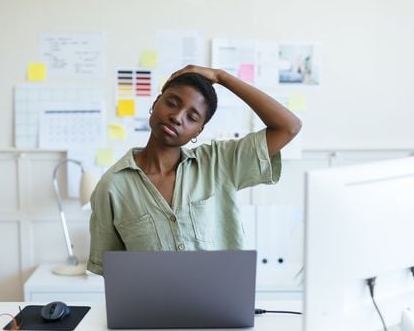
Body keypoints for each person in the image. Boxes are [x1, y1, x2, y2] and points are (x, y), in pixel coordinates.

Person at [87, 65, 302, 275]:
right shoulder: (112, 186)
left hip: (222, 306)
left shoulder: (220, 163)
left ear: (199, 130)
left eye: (192, 117)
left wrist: (222, 76)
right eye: (172, 103)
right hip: (154, 309)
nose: (177, 117)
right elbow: (114, 271)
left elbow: (288, 126)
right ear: (155, 103)